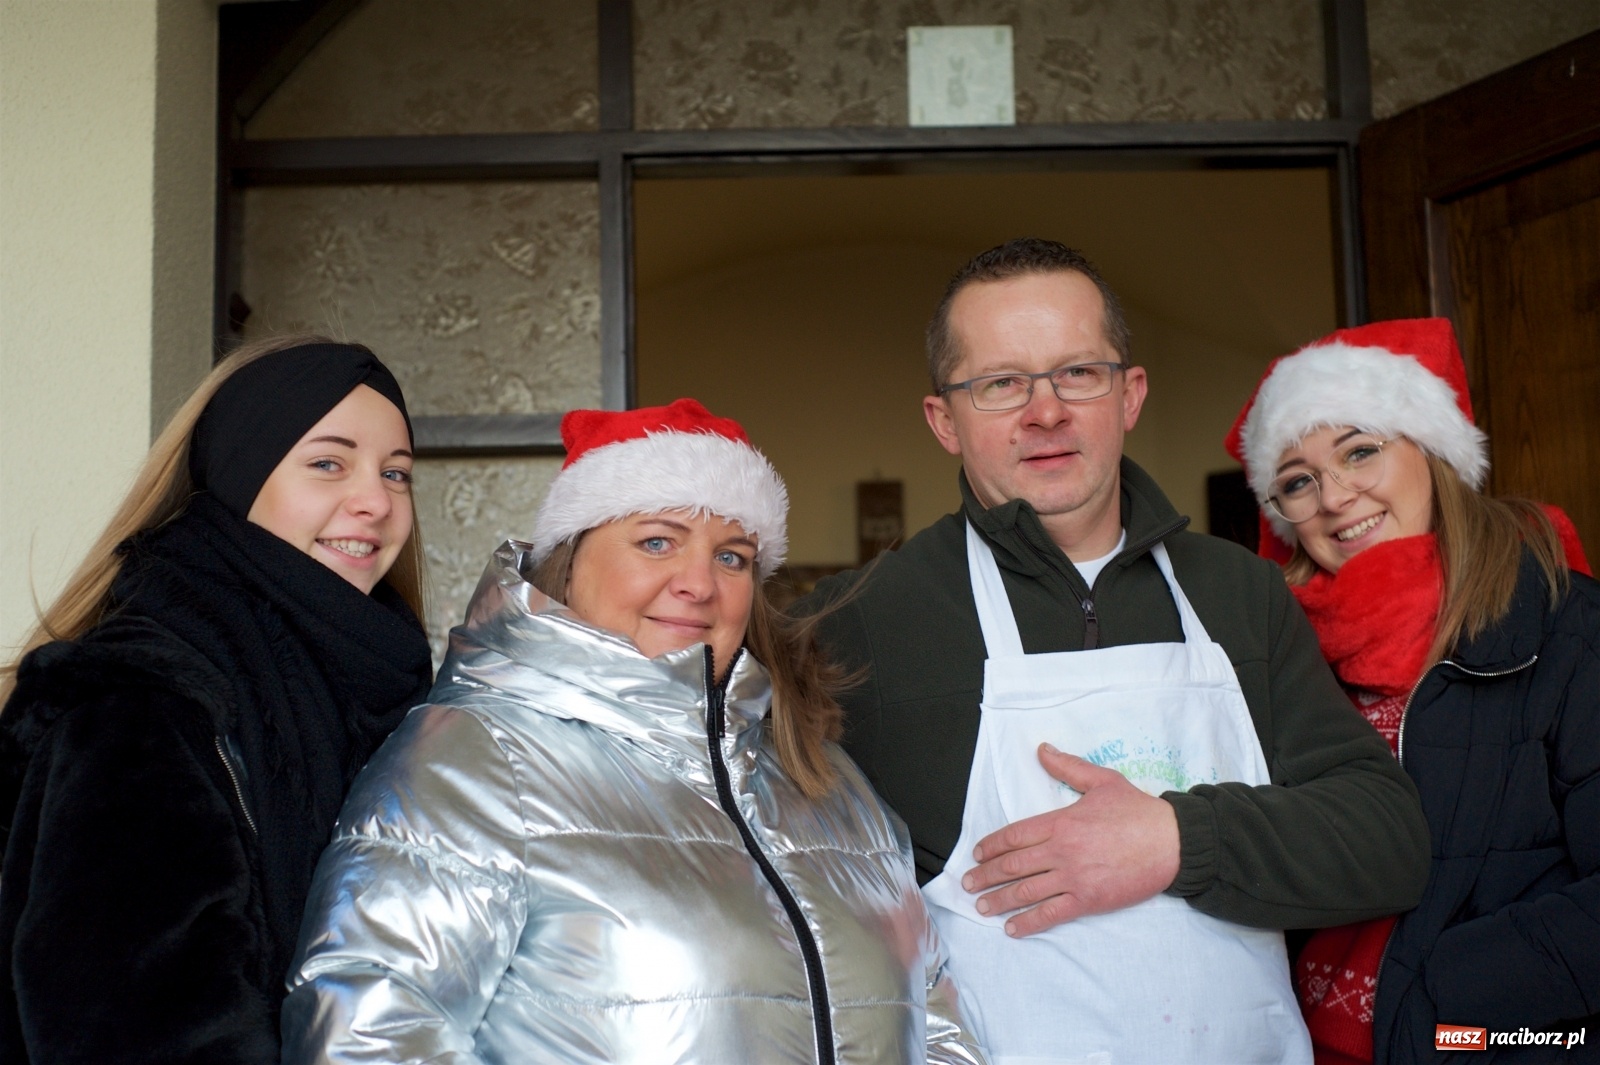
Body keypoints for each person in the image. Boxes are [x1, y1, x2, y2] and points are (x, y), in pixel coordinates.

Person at [798, 238, 1432, 1063]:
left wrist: (1175, 840)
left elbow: (1389, 843)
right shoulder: (866, 617)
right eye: (1000, 384)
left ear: (1129, 394)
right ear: (943, 420)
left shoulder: (1238, 593)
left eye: (1078, 373)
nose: (1045, 411)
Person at [280, 399, 987, 1065]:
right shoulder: (475, 759)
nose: (699, 582)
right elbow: (368, 1029)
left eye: (732, 555)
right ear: (571, 559)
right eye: (656, 541)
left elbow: (938, 1019)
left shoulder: (828, 780)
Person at [0, 337, 434, 1064]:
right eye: (328, 462)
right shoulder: (135, 708)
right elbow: (137, 1032)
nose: (376, 501)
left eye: (397, 472)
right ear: (240, 474)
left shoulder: (393, 698)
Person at [1225, 317, 1600, 1064]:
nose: (1335, 497)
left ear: (1432, 454)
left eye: (1360, 450)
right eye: (1298, 481)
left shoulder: (1567, 624)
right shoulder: (1281, 658)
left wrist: (1442, 1008)